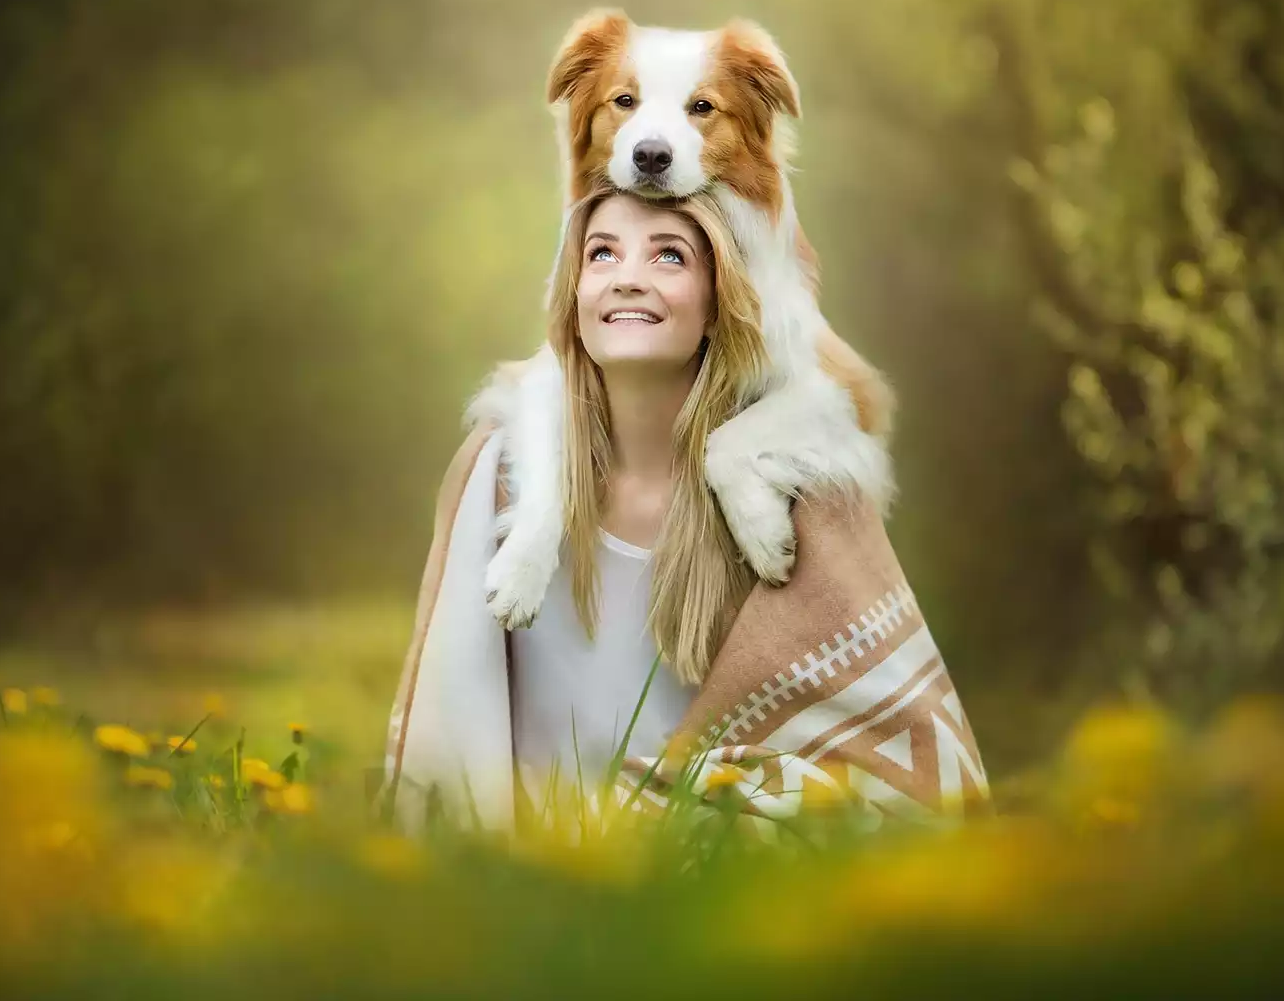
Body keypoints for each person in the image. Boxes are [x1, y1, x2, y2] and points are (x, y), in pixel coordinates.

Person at [383, 188, 987, 832]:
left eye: (668, 257)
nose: (628, 280)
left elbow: (888, 753)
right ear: (574, 295)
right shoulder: (499, 478)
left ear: (717, 302)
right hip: (538, 877)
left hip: (709, 883)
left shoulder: (794, 497)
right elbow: (454, 722)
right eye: (602, 254)